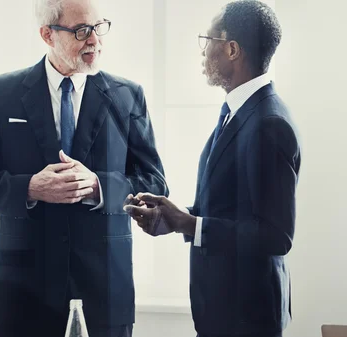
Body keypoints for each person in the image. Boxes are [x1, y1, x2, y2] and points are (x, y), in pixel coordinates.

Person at [0, 0, 168, 336]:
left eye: (99, 28)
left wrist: (98, 186)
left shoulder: (128, 95)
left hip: (104, 289)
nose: (95, 41)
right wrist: (30, 187)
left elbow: (155, 184)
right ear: (47, 35)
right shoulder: (3, 92)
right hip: (22, 291)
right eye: (81, 31)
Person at [124, 1, 301, 337]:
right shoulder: (239, 112)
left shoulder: (269, 123)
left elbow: (276, 235)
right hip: (223, 314)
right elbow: (232, 210)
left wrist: (190, 222)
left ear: (232, 49)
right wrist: (176, 221)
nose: (202, 53)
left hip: (248, 320)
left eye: (208, 42)